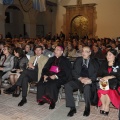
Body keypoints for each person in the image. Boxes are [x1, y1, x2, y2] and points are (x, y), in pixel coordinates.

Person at [64, 46, 99, 117]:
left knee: (87, 88)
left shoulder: (94, 61)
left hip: (88, 82)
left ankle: (87, 108)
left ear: (90, 53)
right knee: (67, 85)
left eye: (86, 51)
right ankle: (72, 108)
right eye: (83, 51)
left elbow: (97, 73)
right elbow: (73, 71)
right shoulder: (78, 60)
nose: (83, 53)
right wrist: (80, 78)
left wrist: (90, 80)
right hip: (79, 80)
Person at [37, 45, 72, 109]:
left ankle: (52, 101)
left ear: (62, 52)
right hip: (49, 75)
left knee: (52, 84)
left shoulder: (65, 60)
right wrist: (44, 75)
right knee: (41, 83)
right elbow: (45, 68)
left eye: (58, 50)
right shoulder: (51, 59)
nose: (55, 51)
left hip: (60, 77)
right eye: (55, 49)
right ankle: (43, 99)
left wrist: (56, 76)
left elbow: (66, 72)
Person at [97, 49, 120, 116]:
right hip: (104, 82)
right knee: (102, 89)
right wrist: (101, 78)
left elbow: (119, 75)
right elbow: (99, 74)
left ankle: (107, 106)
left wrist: (110, 77)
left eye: (110, 54)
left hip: (115, 83)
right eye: (107, 55)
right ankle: (104, 105)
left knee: (109, 89)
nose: (108, 56)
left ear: (115, 56)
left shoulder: (118, 64)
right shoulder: (104, 63)